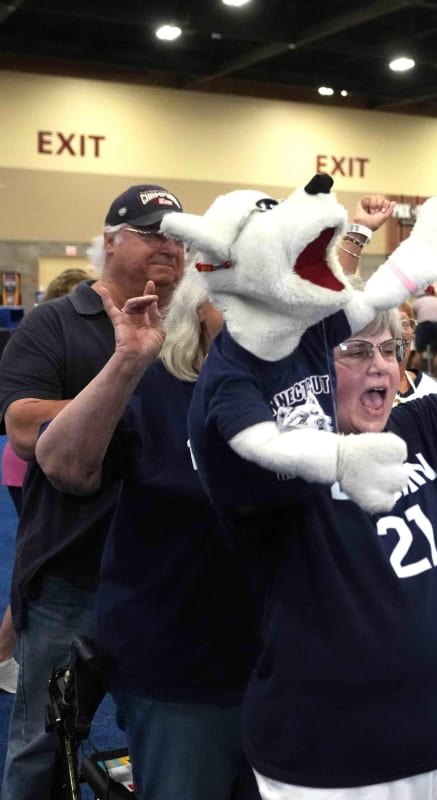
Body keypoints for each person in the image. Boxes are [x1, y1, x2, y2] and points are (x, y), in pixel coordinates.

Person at [188, 248, 437, 798]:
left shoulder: (429, 424)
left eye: (390, 349)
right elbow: (214, 421)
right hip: (333, 760)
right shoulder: (276, 460)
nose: (380, 365)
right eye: (354, 350)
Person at [35, 272, 261, 799]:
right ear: (200, 308)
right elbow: (62, 466)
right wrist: (126, 362)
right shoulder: (157, 387)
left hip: (289, 666)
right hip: (181, 671)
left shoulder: (307, 394)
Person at [0, 183, 186, 800]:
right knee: (42, 744)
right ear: (111, 240)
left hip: (166, 581)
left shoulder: (188, 331)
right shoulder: (55, 321)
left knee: (170, 743)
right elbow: (24, 427)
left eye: (179, 237)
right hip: (71, 576)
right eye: (153, 232)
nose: (170, 246)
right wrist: (128, 403)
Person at [0, 267, 96, 695]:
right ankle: (5, 654)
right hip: (27, 470)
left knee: (32, 564)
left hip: (22, 467)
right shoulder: (52, 330)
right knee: (34, 565)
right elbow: (24, 422)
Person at [396, 300, 437, 404]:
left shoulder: (432, 389)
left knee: (420, 352)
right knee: (436, 353)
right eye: (389, 323)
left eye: (404, 323)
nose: (398, 331)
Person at [411, 285, 437, 376]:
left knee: (419, 351)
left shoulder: (416, 302)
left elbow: (412, 318)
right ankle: (435, 376)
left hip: (423, 325)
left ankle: (413, 376)